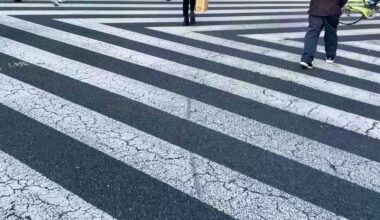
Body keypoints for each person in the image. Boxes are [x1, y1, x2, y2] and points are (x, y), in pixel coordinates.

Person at [300, 0, 348, 69]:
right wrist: (340, 4)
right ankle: (330, 56)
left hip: (316, 8)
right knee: (331, 33)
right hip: (333, 9)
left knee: (312, 33)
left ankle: (306, 58)